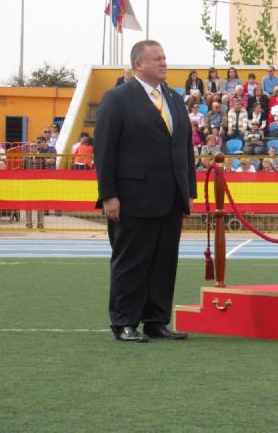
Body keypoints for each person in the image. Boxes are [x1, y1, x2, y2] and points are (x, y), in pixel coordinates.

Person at [94, 40, 196, 342]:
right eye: (156, 58)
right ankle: (124, 322)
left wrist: (188, 191)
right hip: (133, 198)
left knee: (164, 262)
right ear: (138, 64)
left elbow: (185, 147)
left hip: (171, 197)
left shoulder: (174, 99)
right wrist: (108, 194)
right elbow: (105, 150)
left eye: (164, 57)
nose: (164, 62)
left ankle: (156, 320)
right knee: (131, 262)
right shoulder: (117, 98)